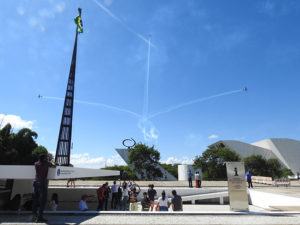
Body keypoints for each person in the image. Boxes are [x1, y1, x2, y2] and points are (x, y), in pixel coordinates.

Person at [32, 153, 55, 223]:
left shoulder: (36, 163)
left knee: (35, 199)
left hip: (35, 182)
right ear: (44, 158)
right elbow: (54, 166)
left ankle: (34, 215)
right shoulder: (46, 163)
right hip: (42, 183)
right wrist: (52, 162)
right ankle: (39, 217)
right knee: (43, 201)